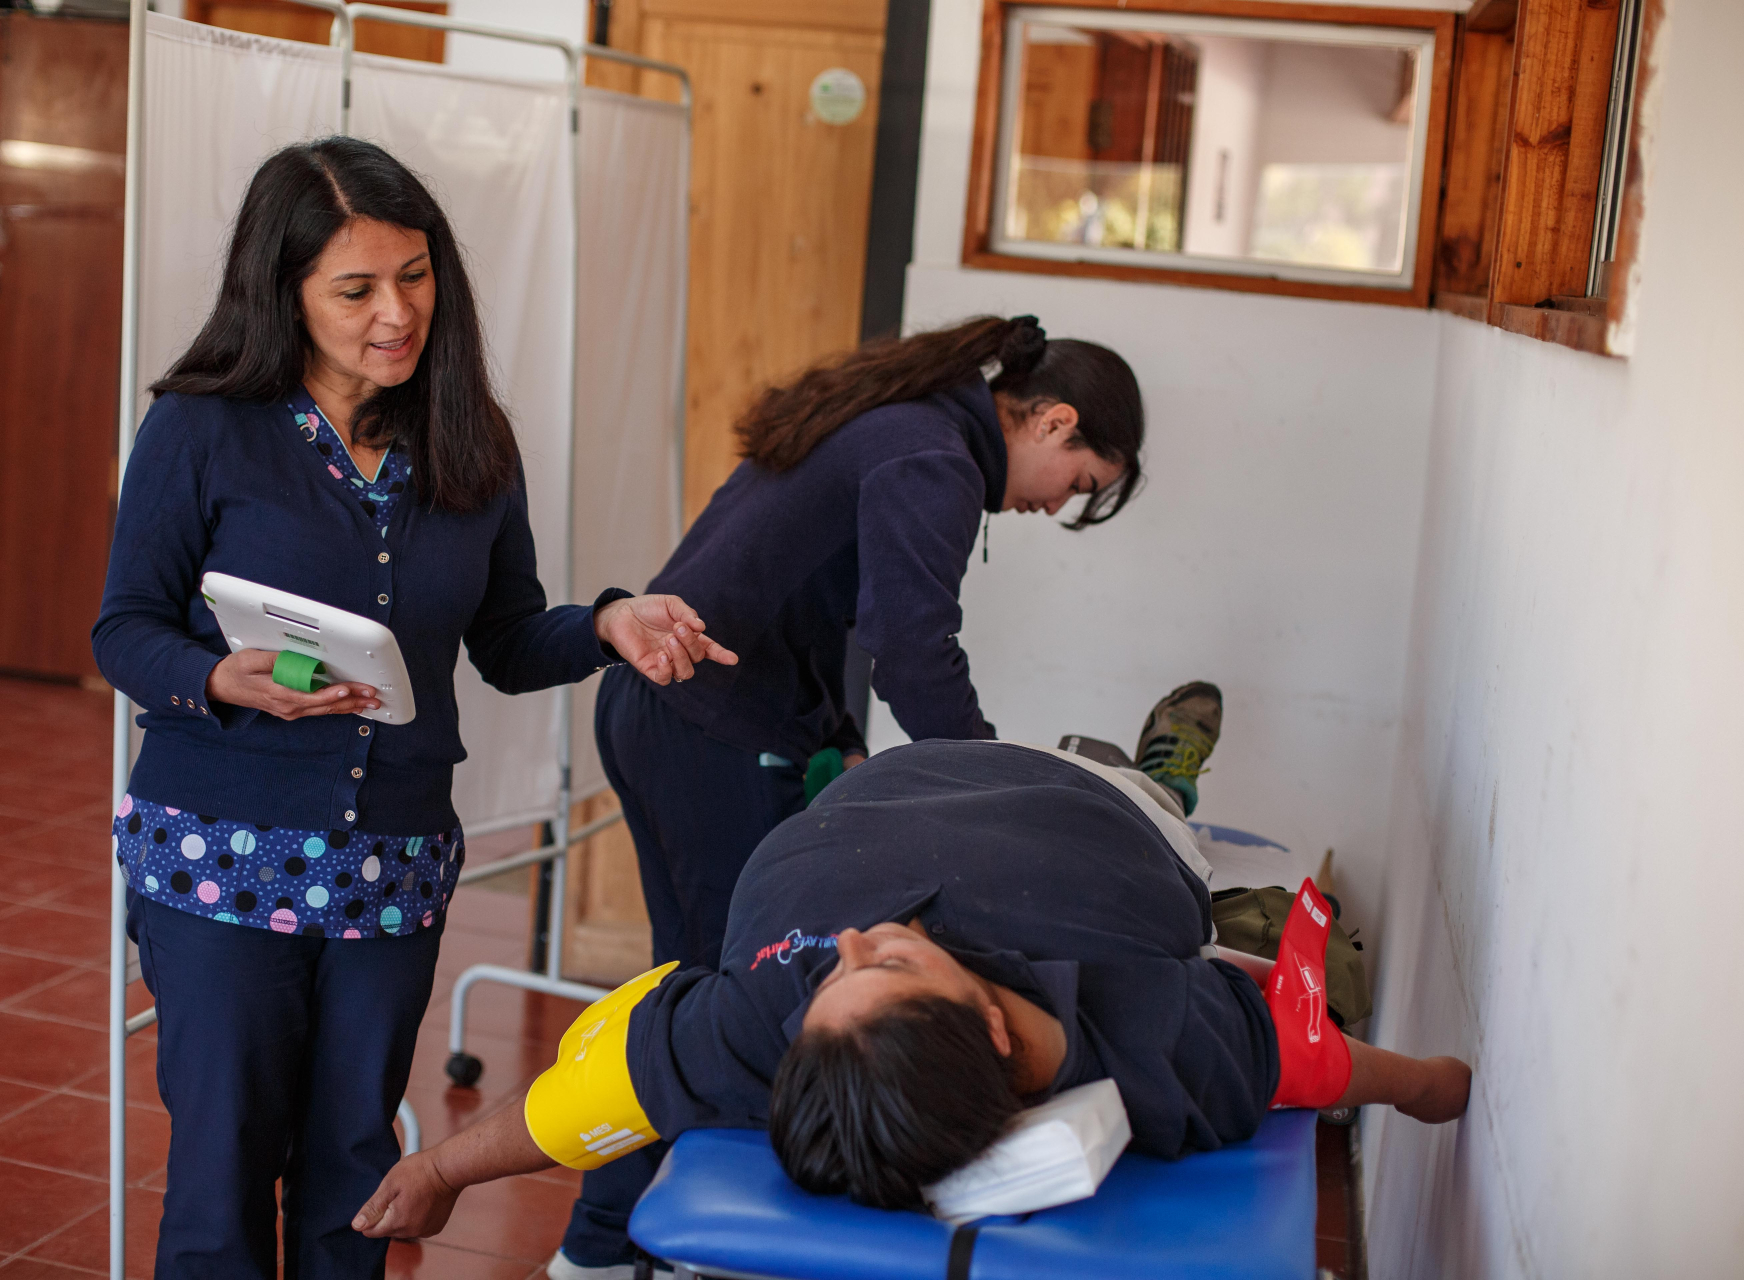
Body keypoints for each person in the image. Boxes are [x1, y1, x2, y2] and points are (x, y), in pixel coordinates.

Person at [93, 137, 734, 1280]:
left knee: (357, 1160)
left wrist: (606, 624)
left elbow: (507, 638)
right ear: (283, 292)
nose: (397, 313)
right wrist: (220, 678)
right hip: (219, 849)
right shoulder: (201, 426)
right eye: (356, 289)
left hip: (392, 860)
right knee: (223, 1161)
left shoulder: (470, 436)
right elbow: (124, 628)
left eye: (416, 275)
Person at [562, 315, 1173, 1276]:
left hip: (672, 713)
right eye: (1078, 483)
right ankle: (613, 1247)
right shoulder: (931, 456)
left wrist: (841, 742)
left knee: (693, 984)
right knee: (726, 1006)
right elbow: (913, 653)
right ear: (1055, 421)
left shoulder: (904, 421)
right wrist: (1002, 792)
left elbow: (808, 602)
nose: (1056, 505)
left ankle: (609, 1244)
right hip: (706, 731)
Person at [351, 726, 1471, 1246]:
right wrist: (1434, 1084)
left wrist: (439, 1168)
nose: (844, 945)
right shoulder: (1162, 1033)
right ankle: (1152, 775)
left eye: (858, 968)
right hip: (1050, 810)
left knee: (1172, 837)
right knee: (1182, 864)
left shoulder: (762, 1023)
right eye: (878, 964)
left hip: (1020, 797)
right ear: (990, 1019)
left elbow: (576, 1099)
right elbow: (1316, 1060)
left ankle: (1153, 771)